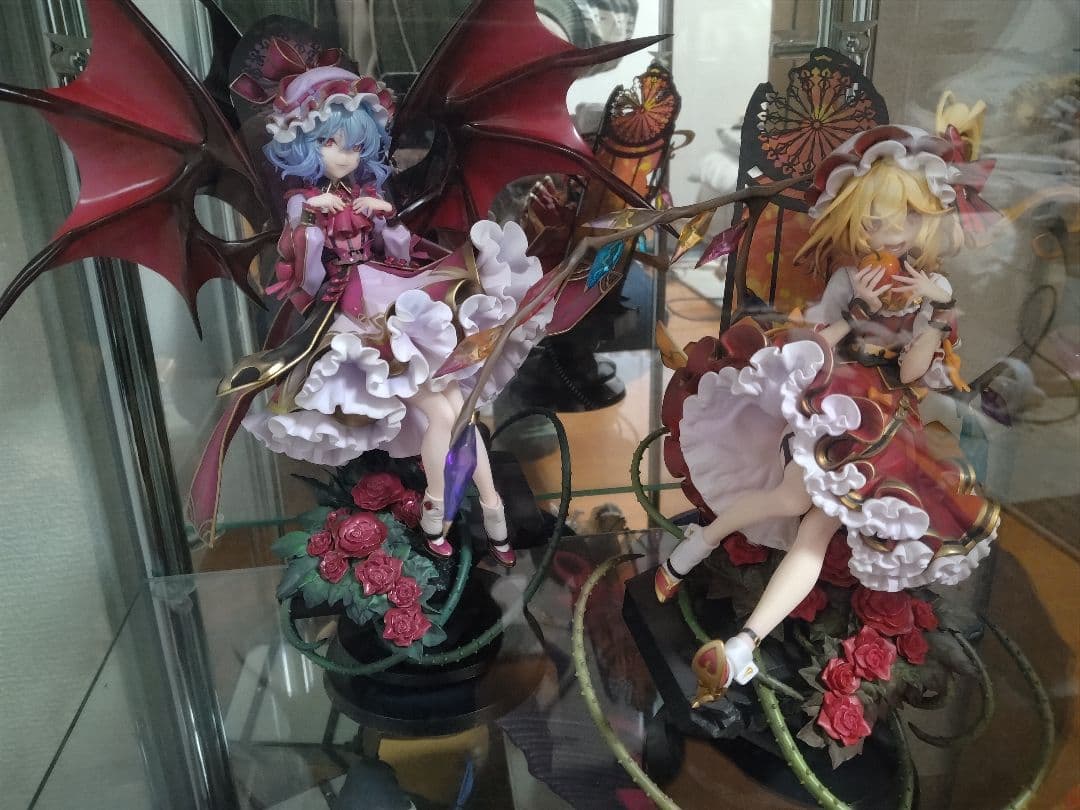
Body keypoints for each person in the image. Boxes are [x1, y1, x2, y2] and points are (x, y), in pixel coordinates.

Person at [654, 125, 1000, 689]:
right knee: (790, 499)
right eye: (874, 219)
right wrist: (858, 309)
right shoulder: (850, 277)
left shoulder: (932, 288)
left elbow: (912, 373)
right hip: (834, 399)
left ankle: (744, 643)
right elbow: (815, 341)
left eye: (904, 216)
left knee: (814, 531)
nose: (889, 230)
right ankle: (699, 543)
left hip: (885, 421)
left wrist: (938, 314)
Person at [226, 46, 553, 565]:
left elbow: (399, 253)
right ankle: (453, 516)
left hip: (394, 299)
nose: (345, 156)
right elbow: (305, 278)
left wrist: (386, 218)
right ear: (304, 142)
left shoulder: (366, 191)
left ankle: (481, 516)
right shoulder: (301, 204)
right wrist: (312, 222)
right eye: (331, 143)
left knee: (459, 412)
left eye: (357, 146)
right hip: (354, 316)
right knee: (444, 414)